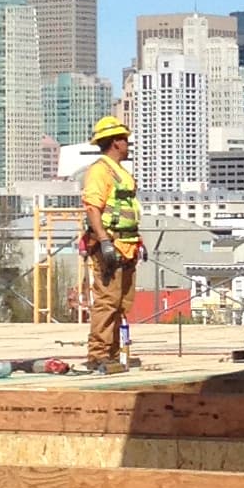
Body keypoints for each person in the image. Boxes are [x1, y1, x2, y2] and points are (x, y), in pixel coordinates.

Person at [78, 114, 142, 372]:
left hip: (127, 244)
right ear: (116, 142)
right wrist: (104, 241)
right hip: (111, 245)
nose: (128, 145)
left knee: (122, 303)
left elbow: (127, 208)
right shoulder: (100, 171)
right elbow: (93, 207)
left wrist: (138, 240)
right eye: (125, 140)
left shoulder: (120, 172)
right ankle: (98, 354)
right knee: (107, 300)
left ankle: (114, 353)